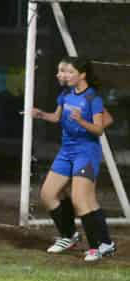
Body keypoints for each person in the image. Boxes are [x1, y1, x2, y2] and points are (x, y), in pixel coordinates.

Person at [32, 57, 115, 261]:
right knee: (48, 194)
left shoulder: (92, 98)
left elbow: (98, 130)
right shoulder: (66, 94)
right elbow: (58, 117)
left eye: (68, 71)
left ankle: (97, 247)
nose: (64, 75)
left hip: (85, 153)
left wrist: (81, 121)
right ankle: (69, 236)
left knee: (81, 200)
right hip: (66, 151)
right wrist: (41, 114)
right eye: (62, 71)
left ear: (82, 75)